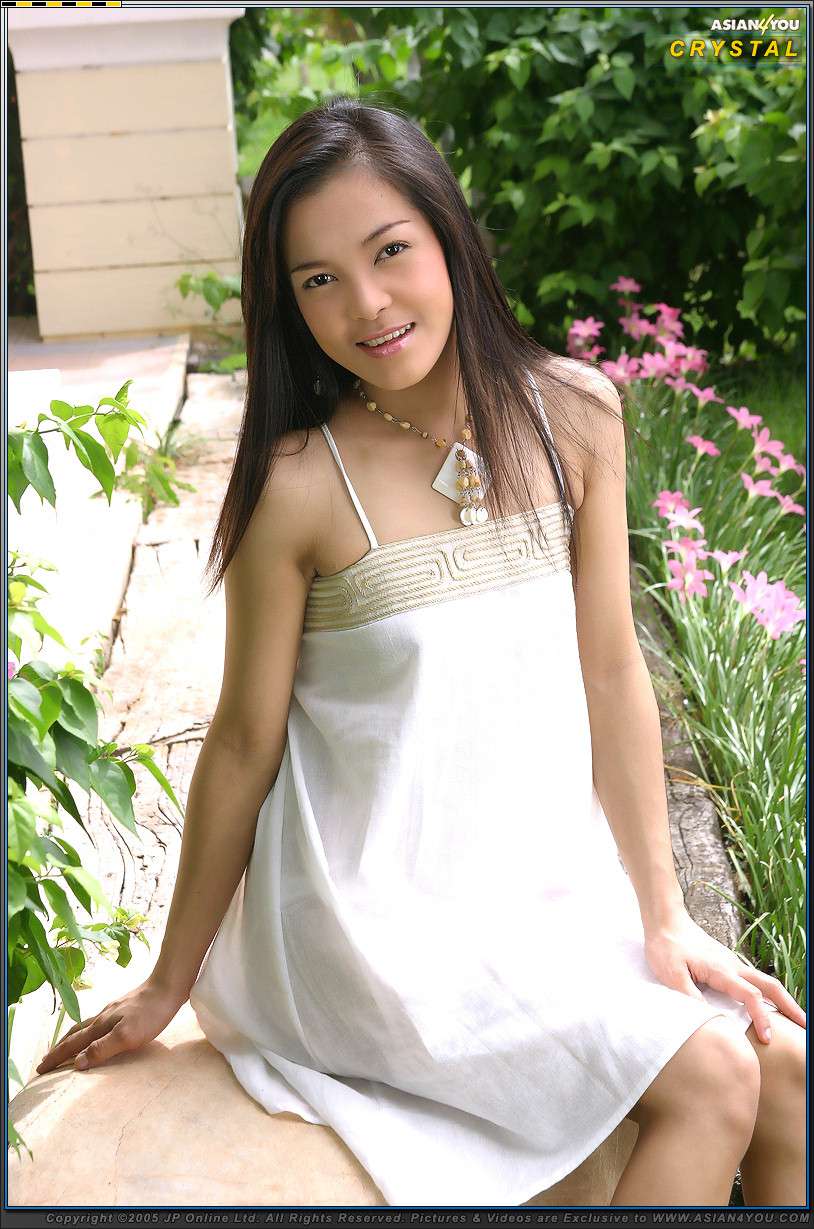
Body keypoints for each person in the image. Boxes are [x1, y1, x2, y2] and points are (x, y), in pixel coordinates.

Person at [35, 96, 805, 1209]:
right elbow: (244, 742)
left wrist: (663, 911)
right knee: (715, 1079)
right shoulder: (300, 484)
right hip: (374, 918)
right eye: (319, 279)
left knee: (790, 1075)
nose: (367, 304)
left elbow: (611, 672)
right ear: (288, 302)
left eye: (390, 250)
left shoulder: (577, 416)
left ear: (448, 234)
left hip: (536, 885)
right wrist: (169, 980)